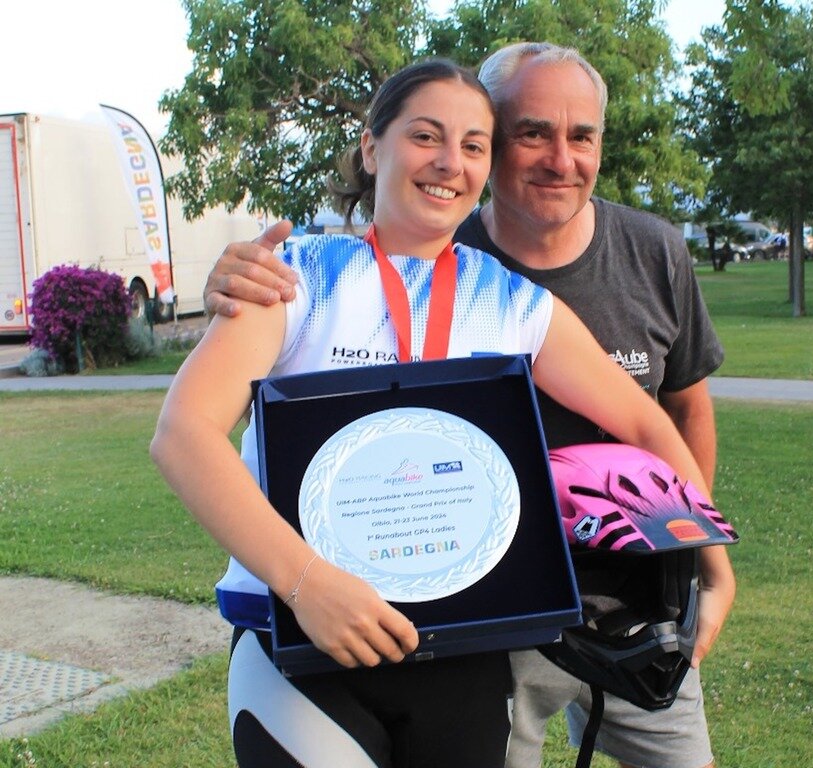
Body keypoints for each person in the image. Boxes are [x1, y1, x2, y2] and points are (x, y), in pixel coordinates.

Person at [153, 57, 723, 768]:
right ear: (372, 147)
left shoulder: (511, 301)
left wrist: (708, 557)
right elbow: (182, 434)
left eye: (474, 145)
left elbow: (645, 423)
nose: (450, 162)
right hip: (302, 638)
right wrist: (306, 583)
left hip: (463, 654)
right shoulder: (294, 277)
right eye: (426, 136)